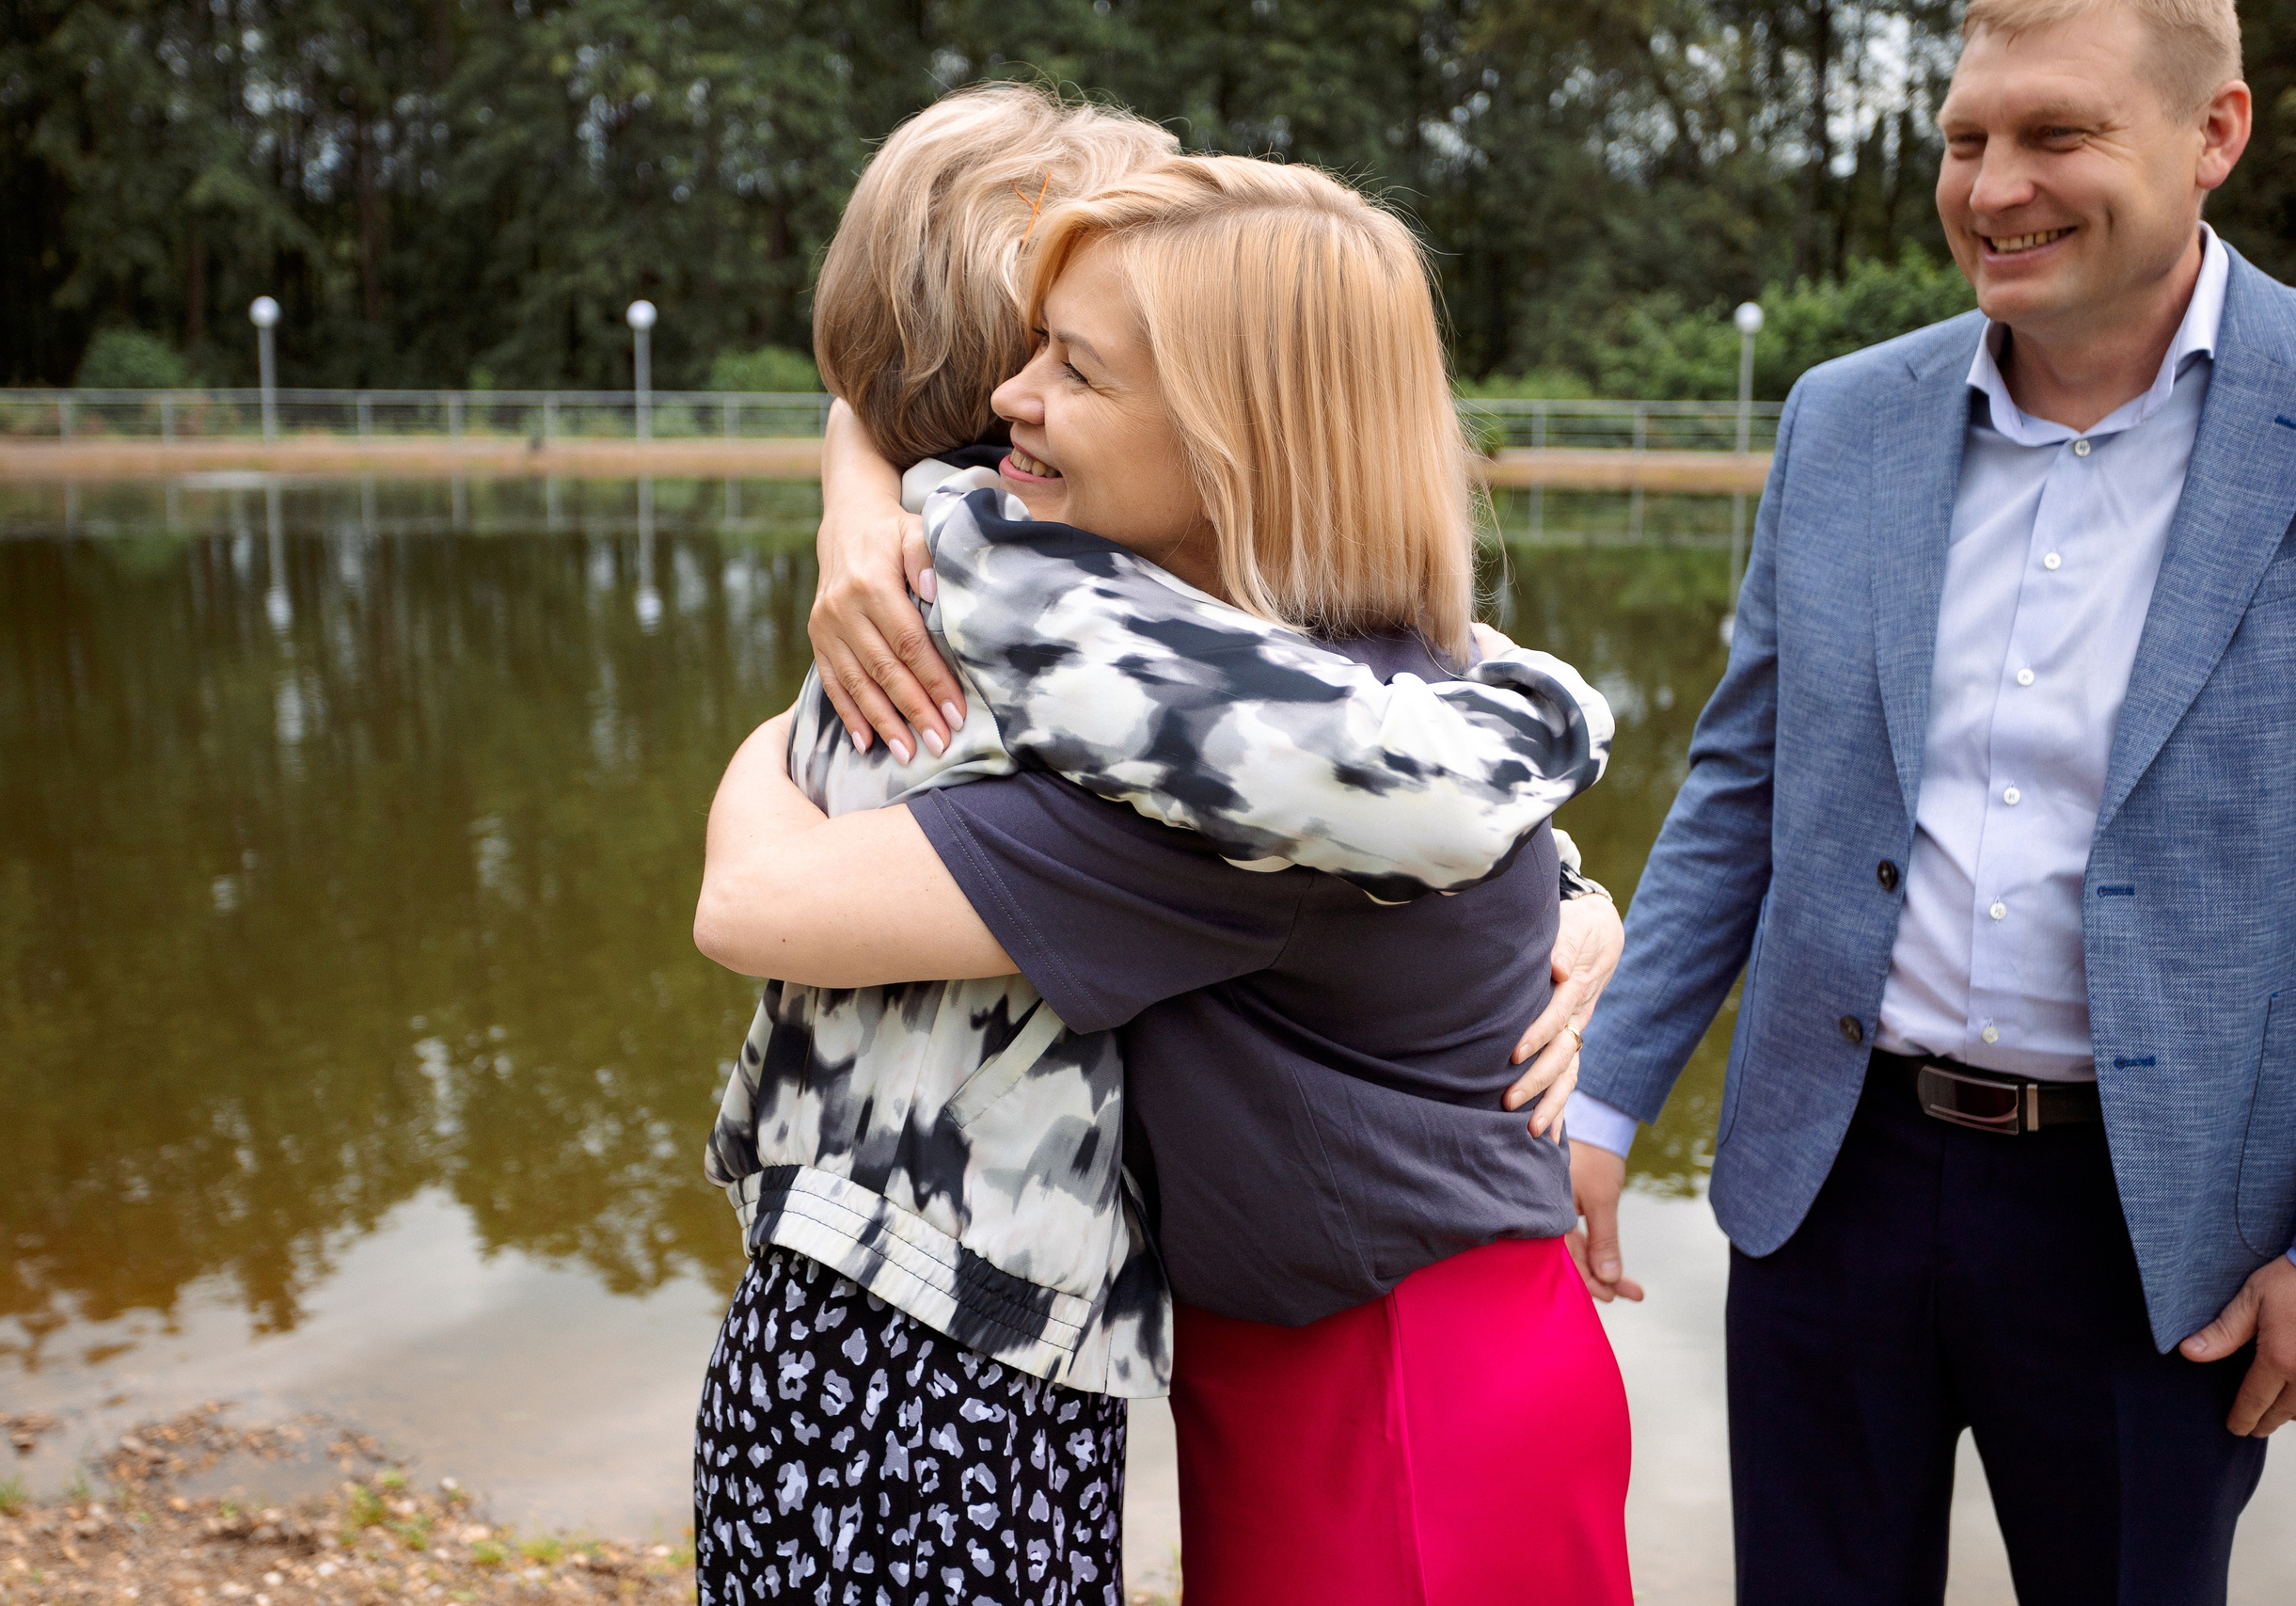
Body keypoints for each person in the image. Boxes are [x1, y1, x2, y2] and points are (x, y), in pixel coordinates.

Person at [692, 88, 1623, 1606]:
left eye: (1071, 366)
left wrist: (784, 710)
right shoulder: (1282, 678)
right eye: (1021, 353)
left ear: (1230, 435)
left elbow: (755, 897)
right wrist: (855, 472)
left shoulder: (1219, 781)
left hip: (1393, 1386)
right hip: (1317, 1357)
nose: (1011, 400)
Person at [1565, 0, 2295, 1598]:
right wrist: (1606, 1105)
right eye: (1968, 139)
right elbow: (1743, 787)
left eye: (2057, 134)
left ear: (2214, 136)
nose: (1994, 186)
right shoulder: (1844, 416)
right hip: (1830, 1185)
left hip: (2162, 1228)